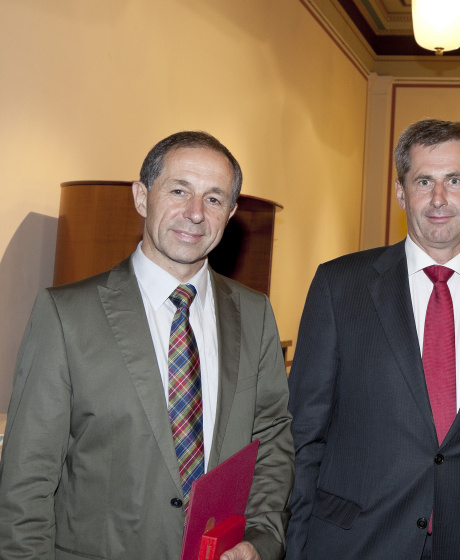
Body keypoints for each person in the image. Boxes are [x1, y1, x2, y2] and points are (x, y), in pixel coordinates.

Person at [0, 132, 294, 560]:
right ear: (142, 197)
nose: (195, 214)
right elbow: (26, 480)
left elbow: (271, 442)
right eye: (179, 190)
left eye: (213, 199)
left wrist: (262, 540)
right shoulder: (66, 315)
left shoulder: (254, 314)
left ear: (230, 213)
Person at [286, 119, 460, 560]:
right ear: (400, 192)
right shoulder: (339, 285)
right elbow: (303, 433)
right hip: (354, 541)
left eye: (455, 180)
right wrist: (293, 546)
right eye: (424, 181)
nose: (439, 199)